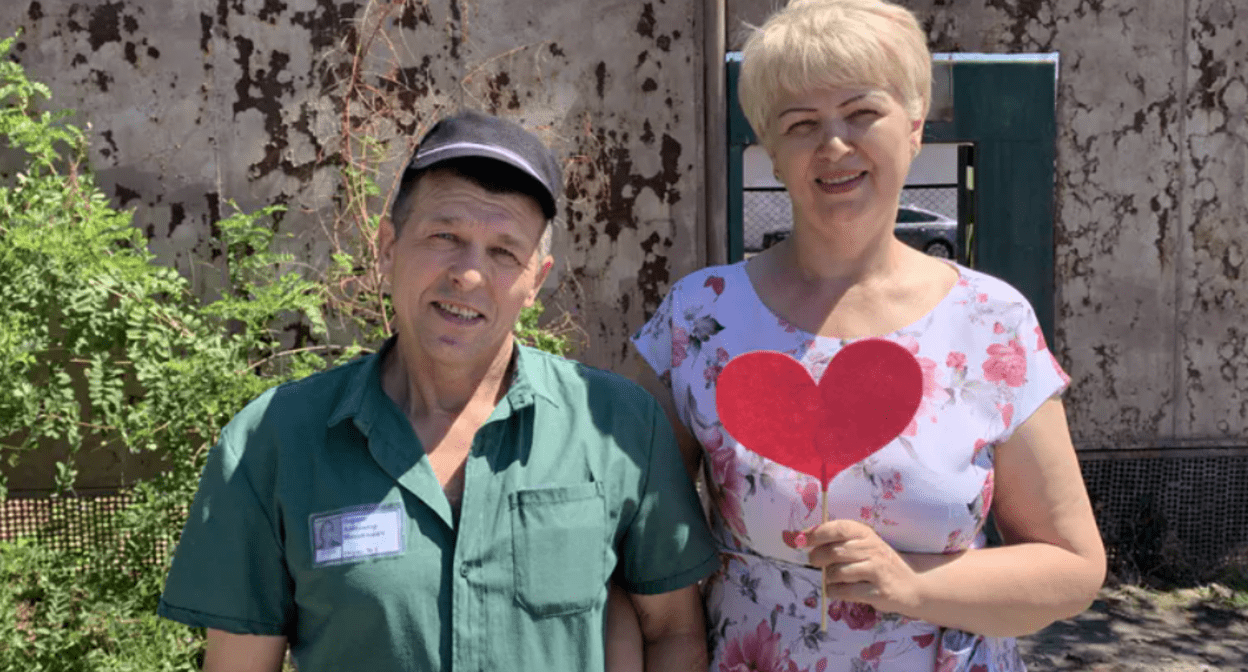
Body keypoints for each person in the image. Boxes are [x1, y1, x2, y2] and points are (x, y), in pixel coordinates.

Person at [627, 1, 1107, 670]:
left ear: (914, 128)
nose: (834, 145)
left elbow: (1072, 568)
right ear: (770, 149)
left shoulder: (991, 321)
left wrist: (913, 585)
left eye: (862, 113)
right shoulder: (698, 318)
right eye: (800, 124)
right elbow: (639, 559)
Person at [157, 109, 719, 672]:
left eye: (504, 252)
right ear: (387, 248)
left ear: (535, 282)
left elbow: (672, 632)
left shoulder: (617, 427)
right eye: (444, 235)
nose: (468, 274)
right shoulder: (272, 441)